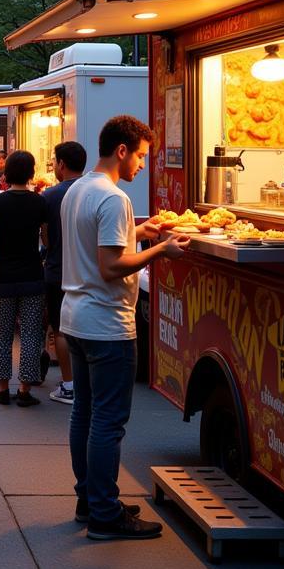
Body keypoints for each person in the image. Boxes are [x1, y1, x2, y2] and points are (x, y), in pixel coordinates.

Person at [61, 114, 190, 541]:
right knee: (108, 422)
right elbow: (112, 264)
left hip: (75, 319)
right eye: (139, 156)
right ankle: (104, 512)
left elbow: (97, 240)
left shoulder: (77, 189)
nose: (140, 165)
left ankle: (90, 499)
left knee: (84, 413)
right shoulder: (114, 198)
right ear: (122, 150)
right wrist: (162, 250)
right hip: (107, 325)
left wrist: (140, 231)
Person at [0, 150, 48, 407]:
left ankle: (2, 388)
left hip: (3, 277)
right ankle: (24, 389)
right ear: (31, 172)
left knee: (1, 334)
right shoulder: (39, 203)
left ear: (6, 172)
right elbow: (47, 239)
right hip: (32, 275)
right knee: (31, 333)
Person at [41, 140, 87, 404]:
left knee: (60, 329)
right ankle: (83, 382)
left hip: (57, 269)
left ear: (61, 164)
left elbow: (46, 236)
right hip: (87, 271)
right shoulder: (92, 191)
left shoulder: (50, 195)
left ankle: (69, 385)